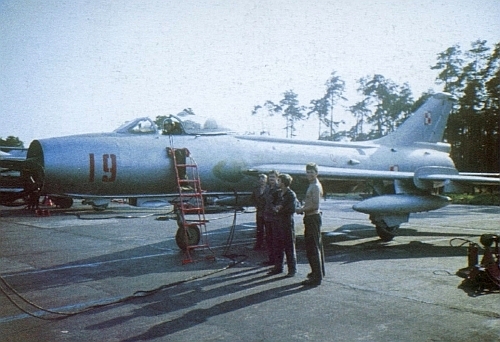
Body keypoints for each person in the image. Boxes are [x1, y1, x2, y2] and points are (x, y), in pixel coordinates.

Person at [296, 162, 325, 286]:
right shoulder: (313, 184)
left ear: (316, 173)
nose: (309, 174)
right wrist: (304, 208)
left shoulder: (315, 186)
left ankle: (316, 277)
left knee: (312, 248)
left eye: (311, 172)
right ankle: (317, 273)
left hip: (312, 218)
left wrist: (301, 209)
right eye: (307, 172)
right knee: (315, 247)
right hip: (311, 217)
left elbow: (315, 206)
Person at [268, 173, 298, 277]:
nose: (277, 182)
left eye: (279, 181)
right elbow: (270, 202)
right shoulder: (278, 193)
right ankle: (278, 267)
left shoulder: (290, 194)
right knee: (277, 246)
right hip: (278, 222)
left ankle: (292, 269)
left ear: (284, 182)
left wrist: (279, 209)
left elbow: (291, 209)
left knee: (289, 246)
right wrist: (276, 208)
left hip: (286, 223)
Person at [261, 170, 280, 266]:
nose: (271, 179)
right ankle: (271, 259)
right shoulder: (268, 188)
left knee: (276, 241)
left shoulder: (279, 189)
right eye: (270, 177)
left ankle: (278, 261)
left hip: (276, 218)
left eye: (273, 177)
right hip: (267, 217)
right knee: (269, 239)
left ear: (277, 178)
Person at [250, 174, 268, 250]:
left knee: (269, 229)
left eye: (263, 178)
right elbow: (252, 198)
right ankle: (258, 244)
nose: (262, 180)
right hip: (260, 212)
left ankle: (268, 244)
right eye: (260, 179)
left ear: (266, 180)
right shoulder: (256, 189)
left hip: (268, 212)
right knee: (259, 229)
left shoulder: (269, 188)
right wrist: (256, 205)